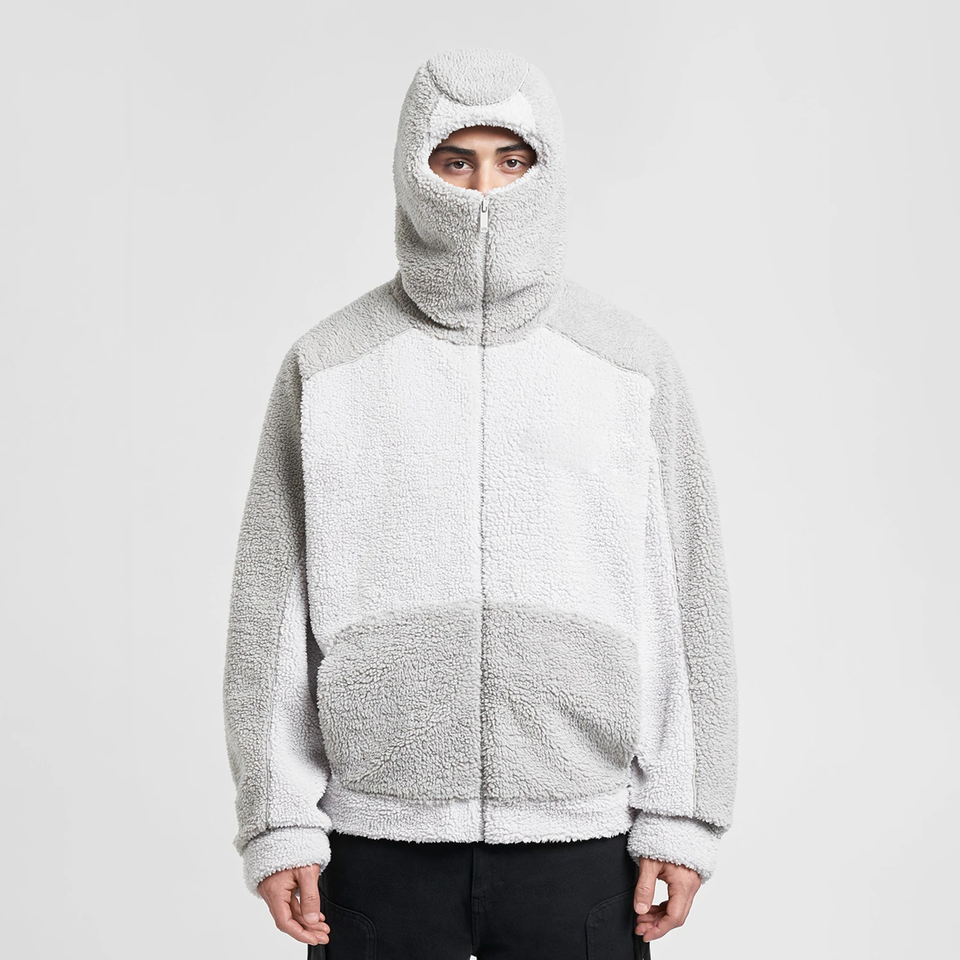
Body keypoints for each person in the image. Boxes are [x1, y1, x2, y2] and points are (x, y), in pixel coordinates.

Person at [222, 47, 738, 959]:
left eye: (512, 159)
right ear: (412, 169)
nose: (484, 190)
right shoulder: (329, 366)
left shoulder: (629, 365)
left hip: (584, 837)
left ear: (548, 169)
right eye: (455, 161)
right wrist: (278, 820)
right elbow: (271, 607)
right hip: (375, 839)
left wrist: (684, 813)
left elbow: (685, 595)